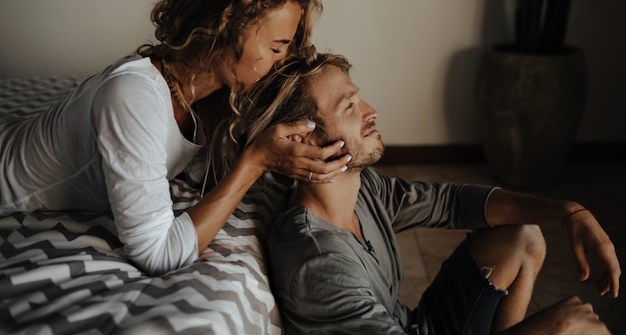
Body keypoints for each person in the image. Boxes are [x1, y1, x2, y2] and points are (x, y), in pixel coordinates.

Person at [0, 0, 351, 276]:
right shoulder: (132, 97)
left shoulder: (211, 94)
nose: (281, 62)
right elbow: (158, 254)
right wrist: (256, 160)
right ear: (223, 35)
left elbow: (210, 177)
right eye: (276, 48)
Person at [228, 48, 620, 335]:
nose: (371, 110)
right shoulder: (317, 260)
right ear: (301, 137)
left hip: (416, 327)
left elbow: (452, 202)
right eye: (350, 106)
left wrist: (570, 212)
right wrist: (551, 329)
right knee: (570, 327)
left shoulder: (364, 190)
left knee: (521, 233)